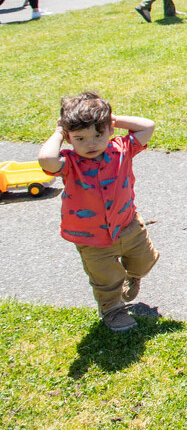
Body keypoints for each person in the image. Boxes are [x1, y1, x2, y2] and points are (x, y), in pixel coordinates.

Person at [37, 92, 158, 332]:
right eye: (80, 138)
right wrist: (60, 131)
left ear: (109, 130)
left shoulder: (121, 149)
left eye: (97, 135)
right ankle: (112, 311)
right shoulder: (70, 162)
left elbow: (148, 126)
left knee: (144, 262)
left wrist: (113, 120)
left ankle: (133, 276)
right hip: (90, 239)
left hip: (128, 225)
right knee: (106, 279)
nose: (90, 144)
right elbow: (46, 158)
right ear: (70, 139)